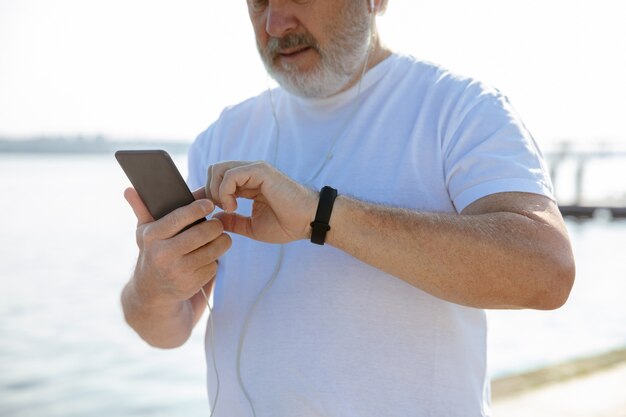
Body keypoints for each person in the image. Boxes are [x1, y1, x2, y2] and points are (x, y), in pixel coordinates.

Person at [121, 0, 576, 416]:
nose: (274, 24)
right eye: (258, 1)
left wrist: (324, 216)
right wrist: (154, 283)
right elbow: (166, 330)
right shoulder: (222, 136)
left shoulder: (461, 108)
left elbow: (548, 271)